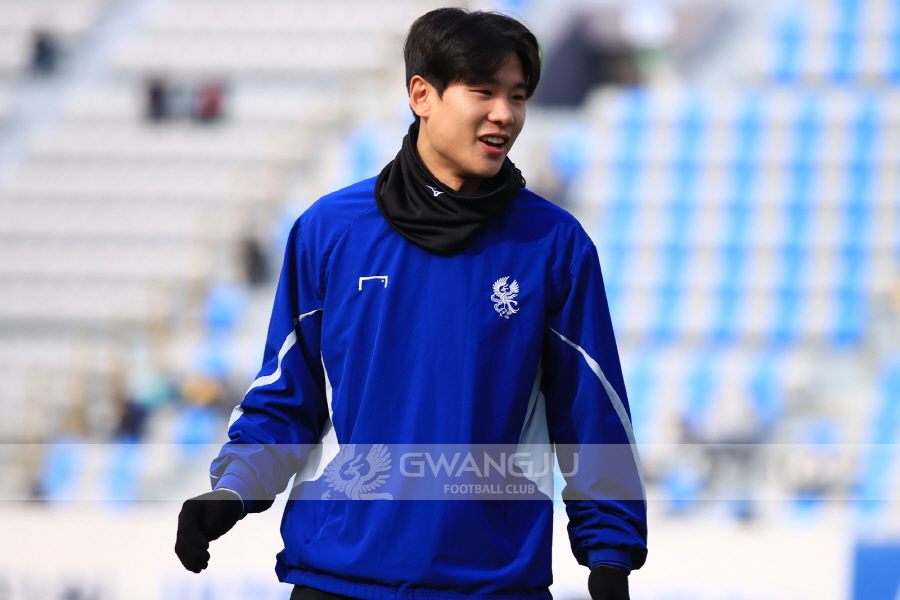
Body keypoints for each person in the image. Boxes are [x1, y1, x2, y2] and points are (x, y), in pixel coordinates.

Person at [175, 8, 647, 600]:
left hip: (492, 587)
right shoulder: (330, 232)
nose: (505, 114)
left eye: (518, 95)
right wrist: (232, 491)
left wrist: (609, 558)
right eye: (484, 91)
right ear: (422, 95)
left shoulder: (554, 245)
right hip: (337, 580)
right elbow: (287, 397)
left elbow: (592, 414)